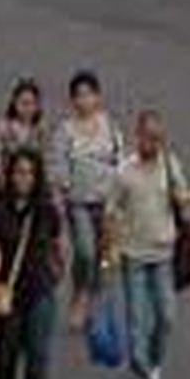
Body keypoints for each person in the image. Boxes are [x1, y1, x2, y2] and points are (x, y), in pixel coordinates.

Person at [0, 149, 64, 379]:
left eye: (31, 173)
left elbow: (57, 243)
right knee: (5, 359)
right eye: (20, 172)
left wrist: (56, 270)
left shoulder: (46, 208)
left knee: (37, 360)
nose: (25, 178)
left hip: (40, 291)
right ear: (10, 175)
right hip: (8, 294)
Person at [106, 110, 185, 379]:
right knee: (137, 320)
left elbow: (182, 202)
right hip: (134, 255)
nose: (153, 144)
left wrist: (177, 190)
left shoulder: (169, 164)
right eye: (148, 138)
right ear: (137, 137)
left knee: (167, 316)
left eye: (158, 139)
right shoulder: (125, 171)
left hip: (163, 252)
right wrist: (111, 250)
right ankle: (139, 369)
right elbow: (111, 212)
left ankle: (152, 361)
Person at [48, 70, 123, 329]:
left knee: (104, 257)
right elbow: (58, 169)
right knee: (85, 251)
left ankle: (95, 301)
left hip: (107, 202)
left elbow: (120, 164)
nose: (84, 100)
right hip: (79, 201)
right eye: (79, 95)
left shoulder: (110, 128)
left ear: (98, 97)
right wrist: (59, 199)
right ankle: (80, 293)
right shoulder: (66, 131)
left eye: (89, 94)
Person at [0, 79, 47, 164]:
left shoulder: (40, 129)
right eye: (25, 104)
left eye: (33, 104)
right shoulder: (5, 128)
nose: (29, 109)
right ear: (15, 103)